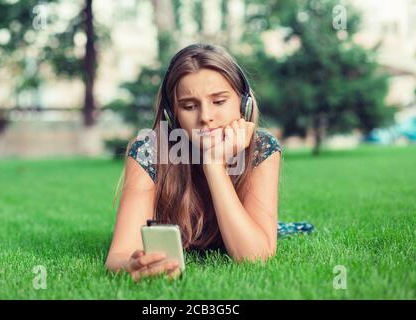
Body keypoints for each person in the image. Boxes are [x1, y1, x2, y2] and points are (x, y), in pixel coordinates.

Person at [105, 43, 313, 282]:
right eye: (189, 106)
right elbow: (119, 254)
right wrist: (132, 264)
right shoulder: (148, 150)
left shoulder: (262, 147)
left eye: (219, 101)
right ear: (171, 115)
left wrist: (214, 165)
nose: (205, 117)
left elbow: (255, 257)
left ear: (243, 104)